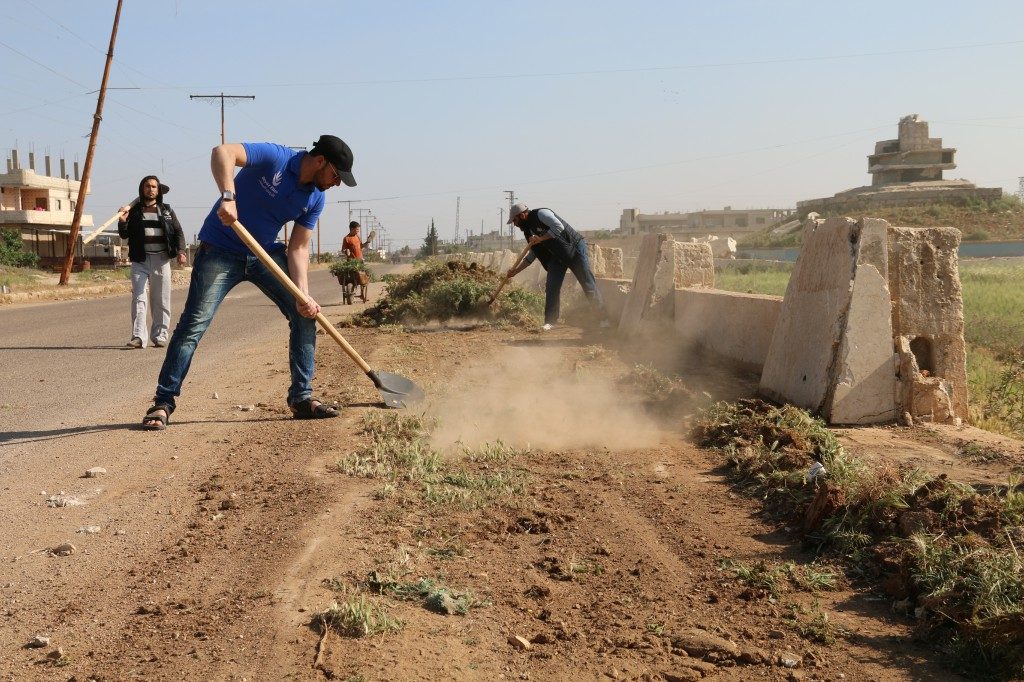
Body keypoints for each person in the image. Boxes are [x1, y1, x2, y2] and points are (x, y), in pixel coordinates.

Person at [140, 135, 356, 430]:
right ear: (320, 161)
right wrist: (228, 197)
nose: (337, 183)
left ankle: (301, 397)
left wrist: (302, 295)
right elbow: (222, 152)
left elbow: (299, 248)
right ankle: (163, 402)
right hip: (219, 250)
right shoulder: (276, 158)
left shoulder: (316, 197)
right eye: (335, 175)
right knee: (194, 324)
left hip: (263, 253)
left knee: (305, 314)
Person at [504, 202, 609, 331]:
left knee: (587, 283)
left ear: (522, 215)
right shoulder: (528, 231)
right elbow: (532, 255)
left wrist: (541, 239)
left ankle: (603, 319)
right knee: (551, 287)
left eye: (515, 220)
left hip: (574, 248)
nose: (514, 224)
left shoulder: (541, 214)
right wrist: (515, 271)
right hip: (557, 256)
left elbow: (558, 227)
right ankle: (550, 321)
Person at [117, 176, 186, 348]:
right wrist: (122, 221)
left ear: (158, 190)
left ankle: (160, 335)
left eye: (154, 186)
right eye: (147, 186)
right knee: (139, 298)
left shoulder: (167, 211)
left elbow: (178, 232)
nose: (151, 189)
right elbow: (124, 235)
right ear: (142, 189)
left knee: (161, 299)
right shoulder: (133, 212)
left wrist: (181, 251)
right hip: (140, 260)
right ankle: (139, 337)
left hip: (161, 260)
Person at [340, 221, 372, 302]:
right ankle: (351, 291)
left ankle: (362, 294)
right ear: (352, 228)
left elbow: (361, 247)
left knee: (362, 277)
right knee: (352, 277)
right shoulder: (346, 238)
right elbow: (343, 249)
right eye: (357, 229)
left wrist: (367, 242)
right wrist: (346, 251)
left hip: (360, 260)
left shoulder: (357, 236)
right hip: (351, 262)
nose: (358, 231)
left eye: (358, 229)